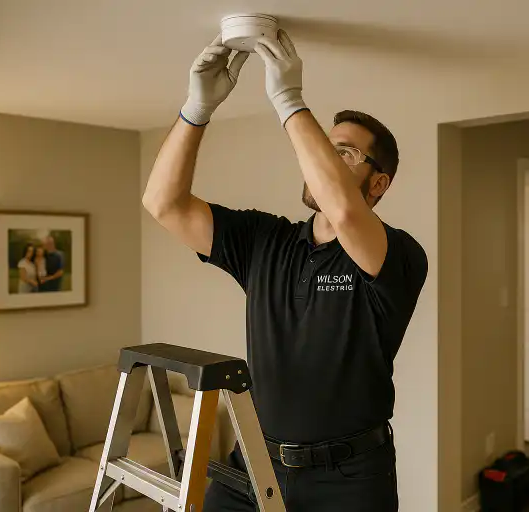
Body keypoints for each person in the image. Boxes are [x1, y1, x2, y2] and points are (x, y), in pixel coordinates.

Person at [142, 29, 428, 512]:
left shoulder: (398, 254)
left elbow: (345, 212)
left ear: (379, 183)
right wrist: (197, 107)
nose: (321, 159)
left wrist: (288, 98)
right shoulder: (264, 240)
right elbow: (163, 203)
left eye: (343, 153)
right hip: (255, 464)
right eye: (324, 147)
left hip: (350, 479)